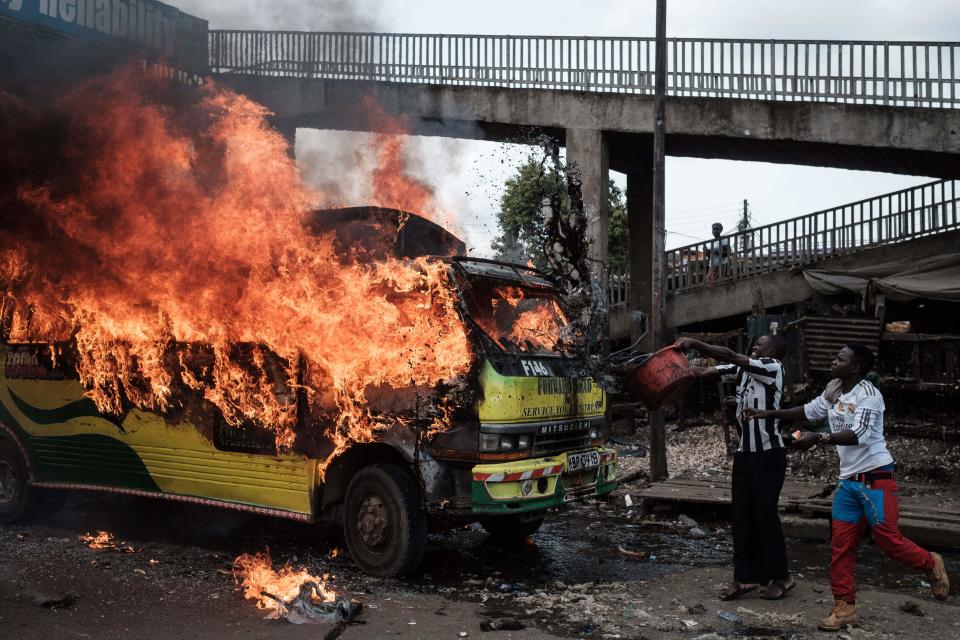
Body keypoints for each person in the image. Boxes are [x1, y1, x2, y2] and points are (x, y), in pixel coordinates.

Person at [745, 343, 950, 631]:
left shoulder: (870, 396)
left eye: (839, 358)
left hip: (876, 479)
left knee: (888, 541)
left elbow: (860, 434)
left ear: (855, 367)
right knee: (841, 547)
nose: (833, 361)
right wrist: (767, 415)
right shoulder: (834, 390)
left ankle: (930, 563)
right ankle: (844, 607)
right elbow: (808, 410)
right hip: (848, 485)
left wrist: (819, 438)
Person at [677, 334, 793, 601]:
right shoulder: (743, 370)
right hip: (745, 456)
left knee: (765, 516)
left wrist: (695, 343)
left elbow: (729, 356)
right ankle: (744, 578)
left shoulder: (772, 367)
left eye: (761, 343)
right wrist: (675, 368)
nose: (755, 345)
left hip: (769, 454)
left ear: (773, 350)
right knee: (741, 517)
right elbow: (706, 371)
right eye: (755, 344)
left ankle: (781, 576)